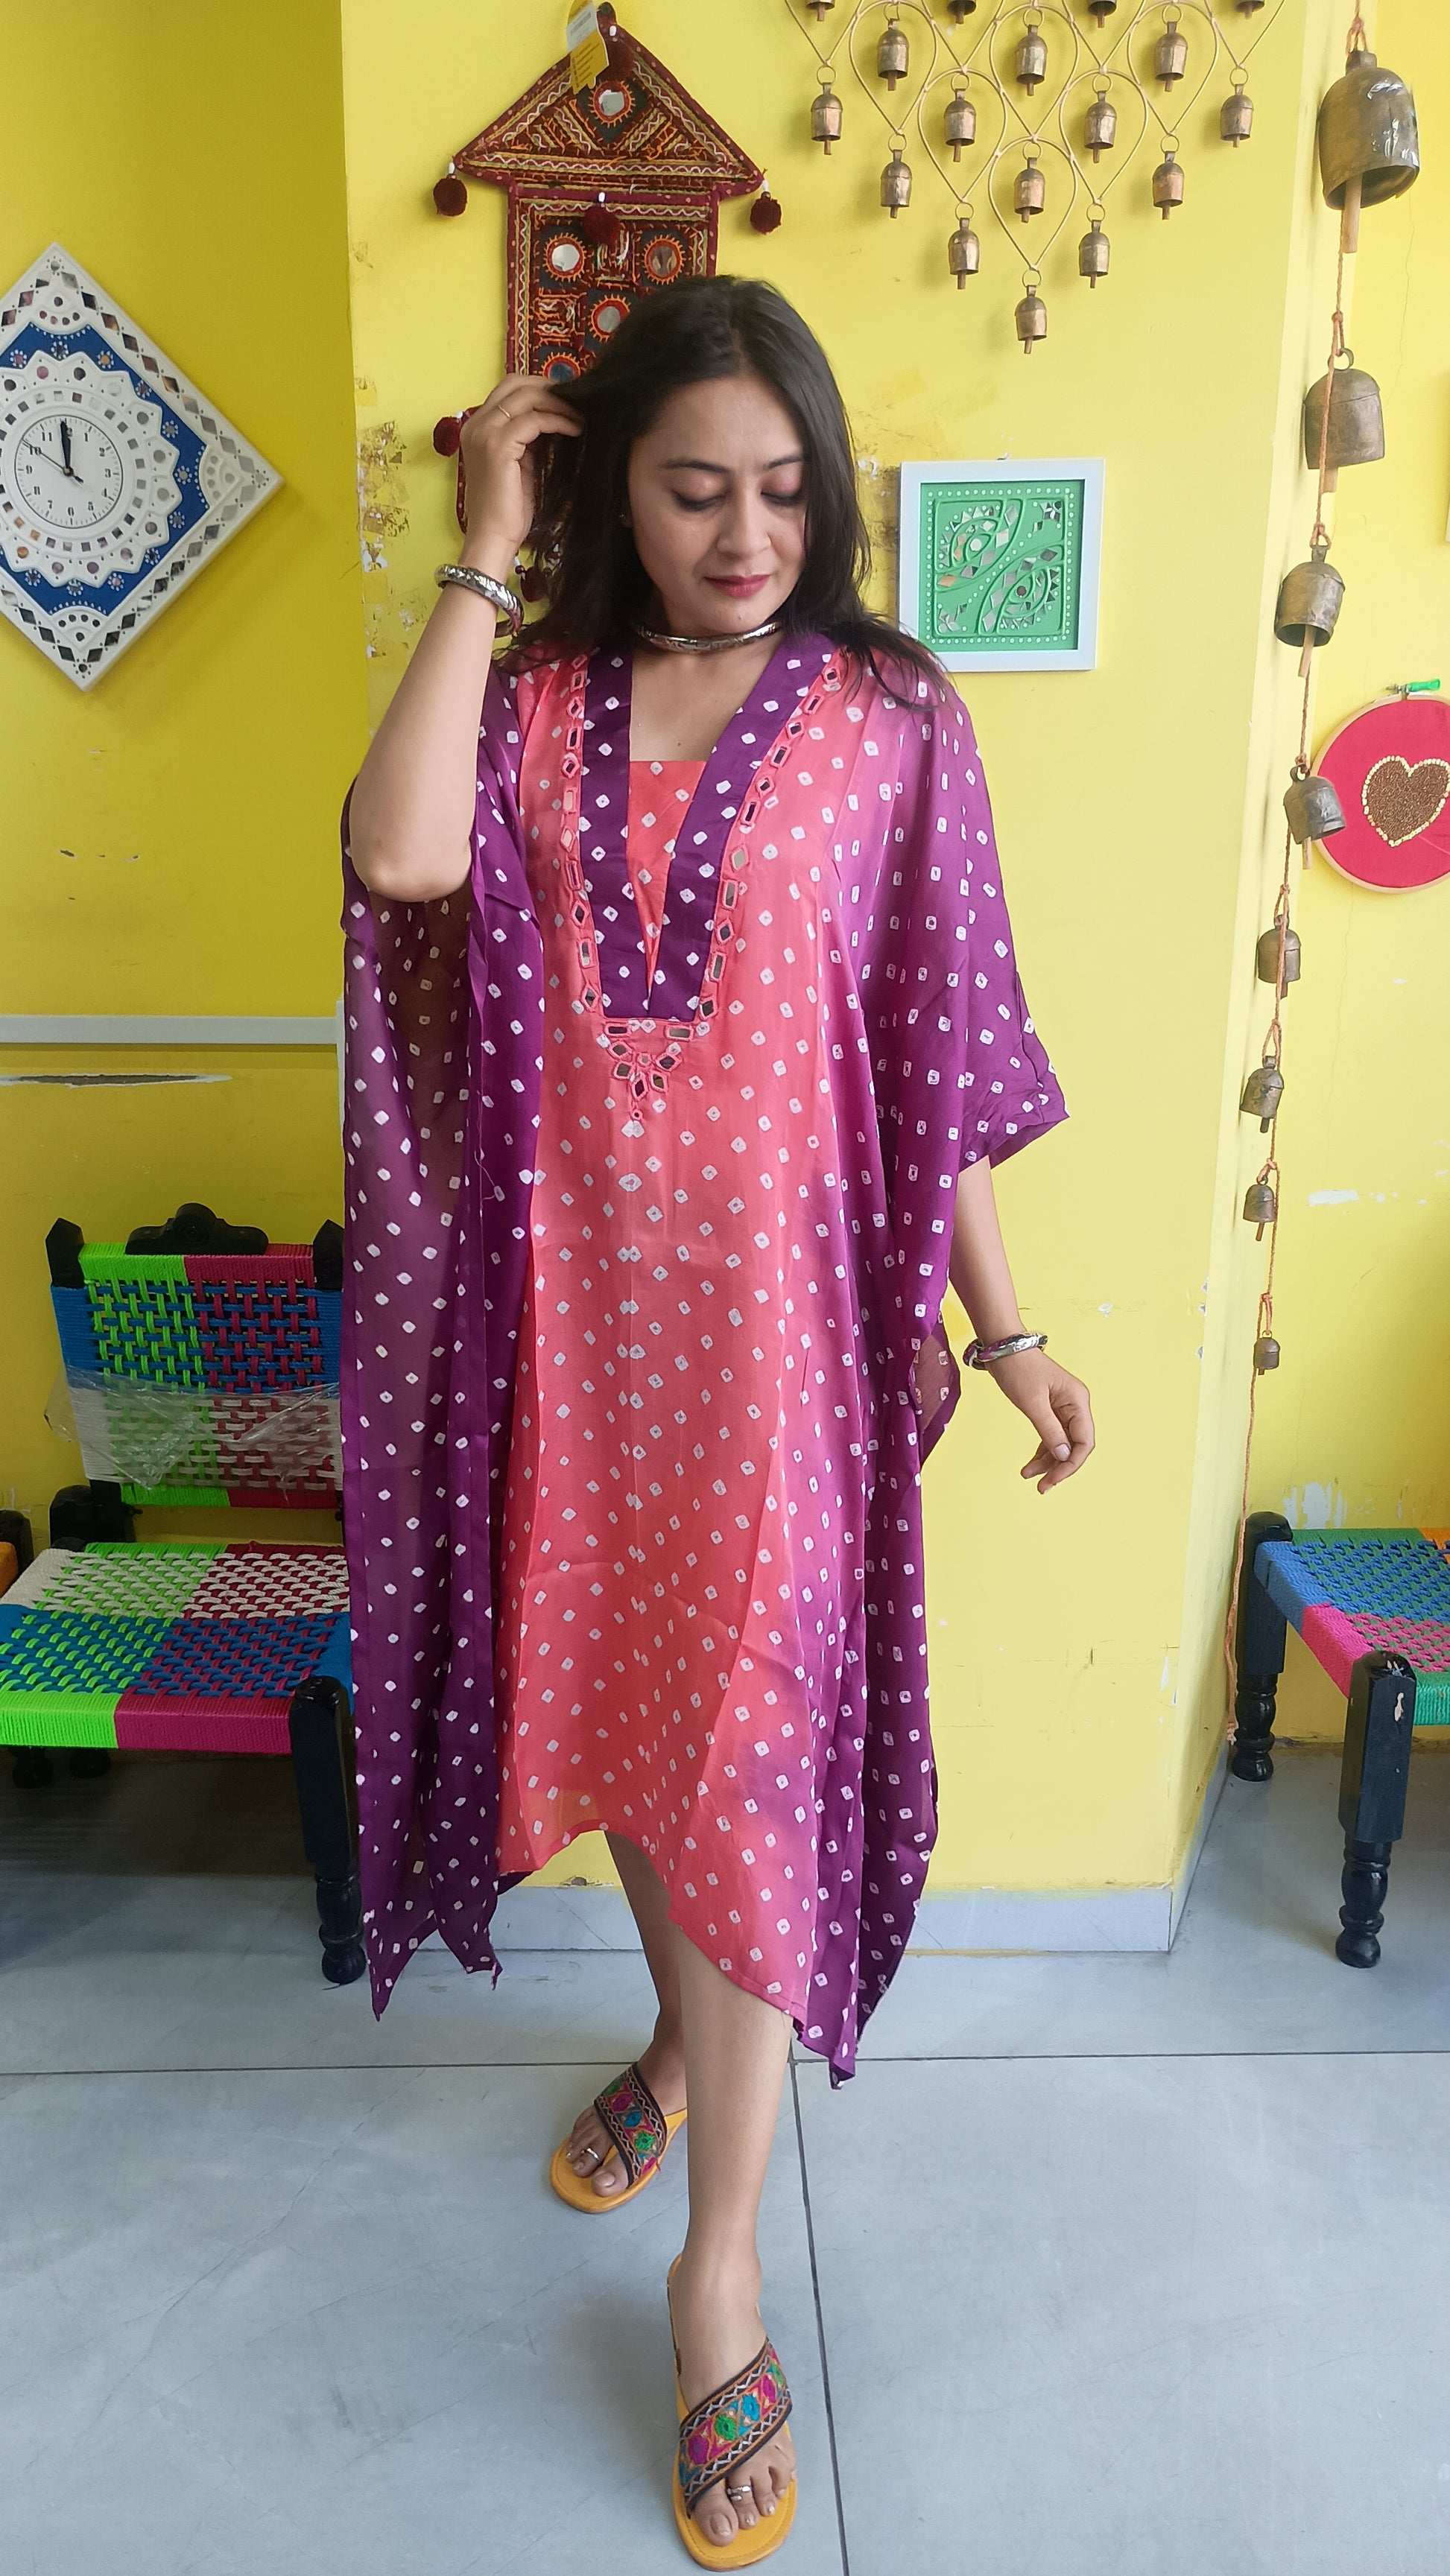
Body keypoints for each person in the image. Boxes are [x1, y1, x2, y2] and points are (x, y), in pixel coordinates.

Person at [343, 275, 1094, 2566]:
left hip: (780, 1364)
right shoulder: (530, 695)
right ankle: (681, 2048)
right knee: (641, 1726)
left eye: (781, 487)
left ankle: (719, 2272)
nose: (746, 532)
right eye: (691, 488)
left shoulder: (888, 715)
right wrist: (481, 548)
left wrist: (1003, 1329)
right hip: (568, 1343)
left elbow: (928, 1058)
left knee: (751, 1750)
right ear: (610, 488)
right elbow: (398, 859)